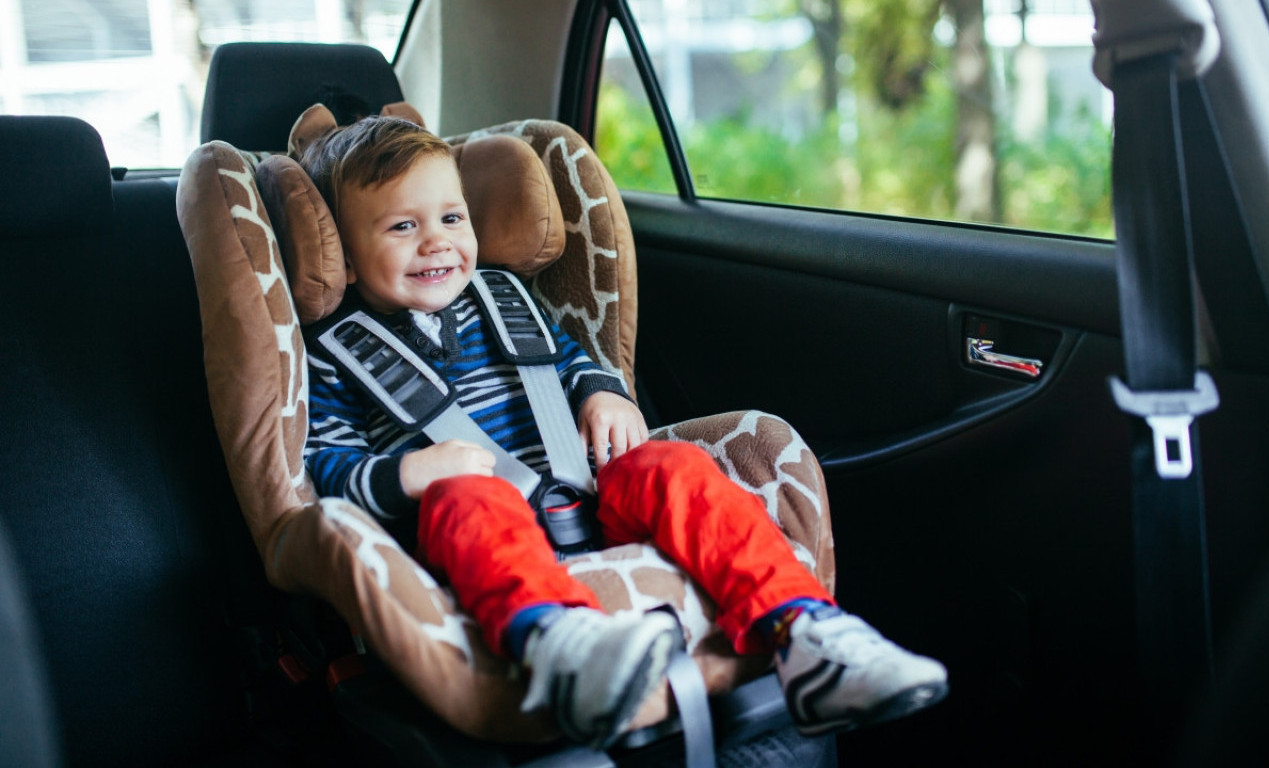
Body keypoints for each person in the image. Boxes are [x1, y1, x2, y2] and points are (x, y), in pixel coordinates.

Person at [298, 115, 948, 748]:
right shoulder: (333, 351)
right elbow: (323, 462)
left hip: (581, 493)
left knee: (674, 467)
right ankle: (563, 648)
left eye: (452, 218)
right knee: (465, 494)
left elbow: (570, 360)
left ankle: (805, 632)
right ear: (347, 260)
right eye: (403, 227)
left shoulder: (502, 295)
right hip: (466, 534)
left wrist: (603, 394)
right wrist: (408, 473)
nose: (438, 241)